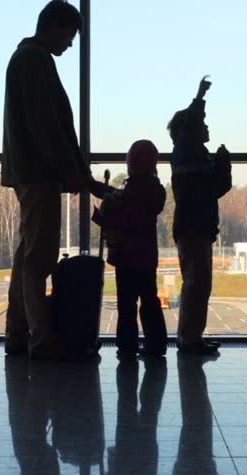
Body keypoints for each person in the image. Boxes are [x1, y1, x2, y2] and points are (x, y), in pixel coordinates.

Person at [1, 1, 90, 360]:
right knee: (39, 260)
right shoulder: (34, 60)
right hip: (39, 173)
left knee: (28, 257)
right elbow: (46, 123)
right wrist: (69, 169)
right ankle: (40, 339)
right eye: (69, 35)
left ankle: (19, 333)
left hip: (30, 171)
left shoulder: (28, 58)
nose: (70, 44)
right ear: (54, 26)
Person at [168, 77, 232, 355]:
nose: (206, 128)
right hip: (194, 225)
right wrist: (199, 96)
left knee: (199, 284)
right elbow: (214, 188)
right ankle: (189, 338)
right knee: (196, 283)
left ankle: (192, 336)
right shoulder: (187, 150)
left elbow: (215, 188)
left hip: (197, 225)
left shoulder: (194, 155)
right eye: (202, 125)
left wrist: (222, 166)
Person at [90, 140, 168, 360]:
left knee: (126, 304)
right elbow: (130, 205)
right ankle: (155, 344)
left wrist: (101, 213)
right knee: (149, 301)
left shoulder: (127, 193)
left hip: (125, 256)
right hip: (146, 256)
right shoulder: (155, 192)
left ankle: (127, 347)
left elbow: (119, 211)